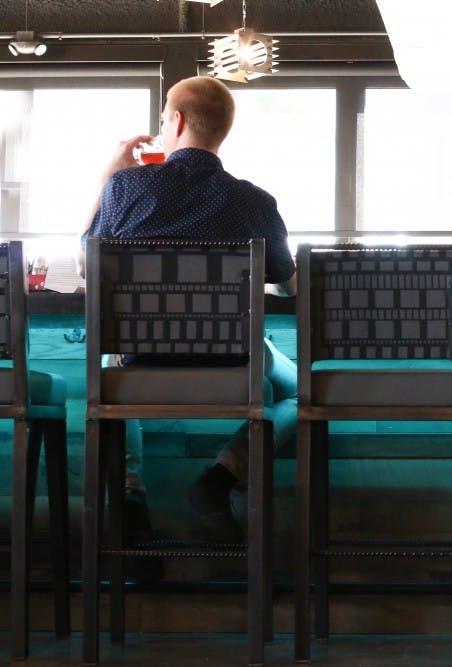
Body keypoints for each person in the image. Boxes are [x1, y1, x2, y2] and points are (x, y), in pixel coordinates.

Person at [79, 76, 298, 568]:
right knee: (303, 390)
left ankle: (132, 501)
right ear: (222, 131)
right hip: (232, 363)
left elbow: (91, 265)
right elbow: (289, 284)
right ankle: (219, 478)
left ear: (175, 121)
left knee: (114, 365)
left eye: (163, 120)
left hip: (142, 361)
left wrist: (107, 176)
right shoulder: (254, 200)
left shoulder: (126, 187)